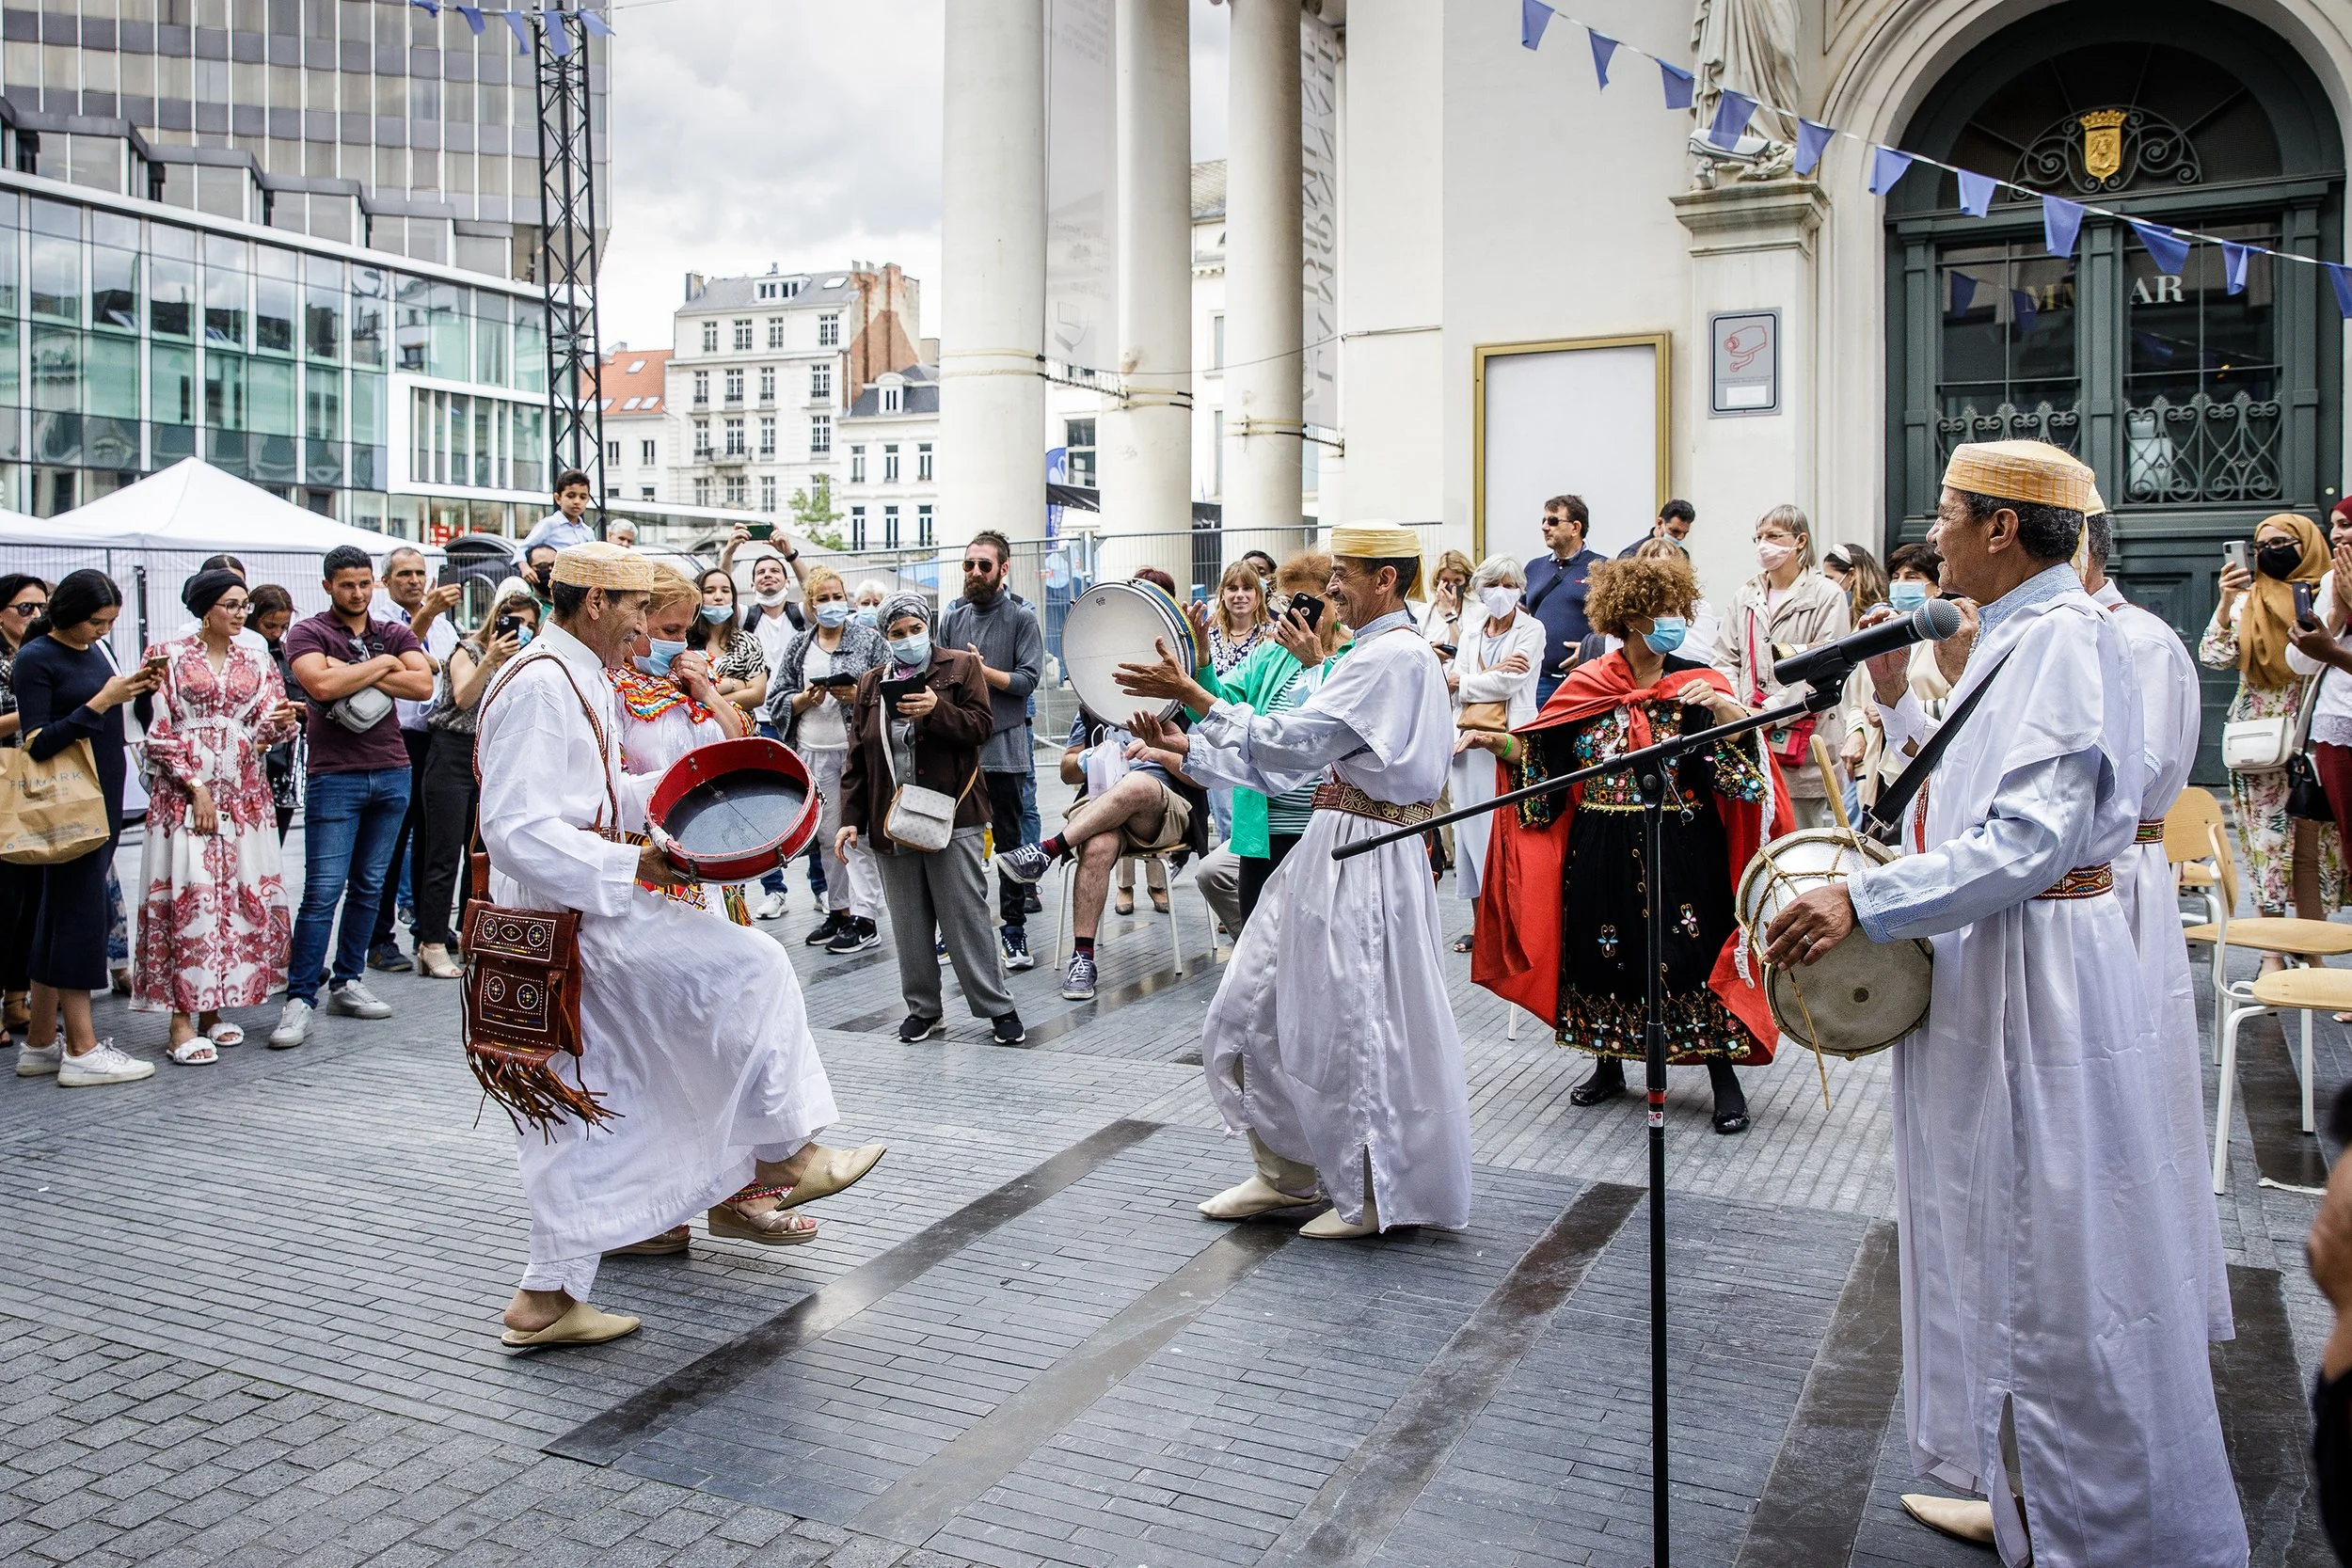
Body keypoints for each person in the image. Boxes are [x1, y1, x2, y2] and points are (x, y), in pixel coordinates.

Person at [1761, 440, 2246, 1567]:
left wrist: (1867, 900)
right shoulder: (2018, 635)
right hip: (1998, 961)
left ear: (1998, 528)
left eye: (1943, 515)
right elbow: (1992, 795)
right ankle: (2023, 1484)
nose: (1929, 537)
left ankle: (2099, 1517)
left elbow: (2029, 841)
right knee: (1998, 1234)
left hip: (2040, 975)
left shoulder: (2068, 639)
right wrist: (1901, 715)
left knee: (2052, 1248)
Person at [475, 542, 882, 1344]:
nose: (647, 629)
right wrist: (638, 858)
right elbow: (516, 829)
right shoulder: (540, 684)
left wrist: (678, 795)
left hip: (576, 914)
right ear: (596, 602)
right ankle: (780, 1157)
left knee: (583, 1105)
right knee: (752, 965)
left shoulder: (572, 676)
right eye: (638, 611)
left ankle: (546, 1298)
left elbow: (591, 792)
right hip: (571, 924)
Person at [1115, 525, 1469, 1241]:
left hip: (1367, 856)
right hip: (1333, 844)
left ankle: (1377, 1191)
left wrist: (1195, 695)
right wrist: (1188, 740)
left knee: (1362, 1021)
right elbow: (1292, 752)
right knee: (1255, 1003)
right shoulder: (1371, 653)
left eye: (1345, 573)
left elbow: (1297, 741)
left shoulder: (1394, 657)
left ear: (1387, 582)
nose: (1330, 587)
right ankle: (1286, 1173)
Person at [1474, 555, 1788, 1133]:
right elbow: (1548, 763)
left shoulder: (1698, 686)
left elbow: (1741, 778)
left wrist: (1730, 715)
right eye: (1660, 612)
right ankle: (1608, 1064)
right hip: (1600, 843)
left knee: (1693, 952)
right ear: (1630, 618)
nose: (1672, 620)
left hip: (1684, 844)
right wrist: (1500, 746)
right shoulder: (1585, 688)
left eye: (1676, 609)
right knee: (1602, 948)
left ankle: (1722, 1074)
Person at [2081, 507, 2232, 1342]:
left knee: (2129, 1086)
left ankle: (2144, 1294)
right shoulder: (2053, 635)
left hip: (2120, 885)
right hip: (2078, 887)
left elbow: (2126, 787)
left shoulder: (2136, 641)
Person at [131, 570, 304, 1063]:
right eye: (230, 604)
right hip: (185, 796)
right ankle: (180, 1022)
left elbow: (268, 728)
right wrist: (196, 787)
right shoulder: (165, 656)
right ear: (205, 608)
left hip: (246, 795)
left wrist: (279, 726)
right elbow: (156, 731)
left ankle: (212, 1010)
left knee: (235, 898)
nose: (240, 613)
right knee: (191, 898)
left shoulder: (258, 657)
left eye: (244, 604)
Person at [837, 594, 1025, 1047]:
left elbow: (982, 726)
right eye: (896, 633)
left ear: (928, 626)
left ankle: (998, 1007)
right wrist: (851, 818)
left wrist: (935, 712)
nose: (907, 639)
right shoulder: (869, 684)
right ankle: (923, 1009)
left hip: (953, 814)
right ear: (885, 637)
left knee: (966, 915)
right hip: (892, 817)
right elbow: (858, 755)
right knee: (908, 920)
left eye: (913, 629)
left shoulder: (960, 667)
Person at [270, 545, 435, 1049]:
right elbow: (318, 685)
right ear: (327, 586)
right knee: (322, 891)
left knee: (368, 885)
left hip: (391, 772)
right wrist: (386, 665)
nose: (358, 593)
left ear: (374, 584)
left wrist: (363, 669)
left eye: (365, 584)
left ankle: (348, 981)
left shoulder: (393, 630)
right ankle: (300, 998)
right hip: (334, 775)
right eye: (347, 584)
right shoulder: (309, 632)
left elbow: (424, 685)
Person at [10, 570, 163, 1085]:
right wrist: (101, 701)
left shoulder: (91, 650)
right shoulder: (36, 658)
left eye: (110, 623)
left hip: (101, 797)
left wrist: (133, 690)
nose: (101, 632)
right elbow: (35, 742)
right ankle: (82, 1047)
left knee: (58, 917)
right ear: (69, 614)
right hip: (69, 804)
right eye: (95, 622)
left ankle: (39, 1046)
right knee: (79, 919)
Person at [1171, 552, 1347, 929]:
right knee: (1256, 935)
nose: (1295, 616)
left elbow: (1340, 723)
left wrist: (1317, 661)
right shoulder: (1271, 654)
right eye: (1288, 604)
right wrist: (1201, 659)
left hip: (1323, 827)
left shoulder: (1353, 656)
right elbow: (1217, 706)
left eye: (1307, 604)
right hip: (1263, 827)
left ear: (1334, 600)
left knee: (1314, 940)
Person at [999, 706, 1209, 1001]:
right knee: (1097, 846)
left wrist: (1160, 752)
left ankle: (1048, 849)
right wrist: (1086, 760)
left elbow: (1205, 775)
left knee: (1136, 784)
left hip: (1162, 809)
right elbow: (1067, 770)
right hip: (1101, 805)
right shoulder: (1093, 707)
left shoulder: (1176, 706)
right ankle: (1082, 958)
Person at [2202, 511, 2343, 923]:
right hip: (2260, 736)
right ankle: (2271, 951)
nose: (2270, 553)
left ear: (2309, 545)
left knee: (2313, 846)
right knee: (2267, 842)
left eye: (2283, 544)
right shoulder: (2250, 599)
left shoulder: (2330, 595)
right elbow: (2213, 655)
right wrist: (2227, 603)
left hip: (2314, 734)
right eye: (2262, 547)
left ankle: (2311, 947)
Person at [613, 565, 756, 926]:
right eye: (668, 630)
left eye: (685, 632)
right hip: (652, 858)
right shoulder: (612, 687)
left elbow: (743, 746)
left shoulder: (697, 678)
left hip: (711, 842)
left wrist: (708, 692)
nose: (678, 643)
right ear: (635, 624)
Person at [411, 581, 539, 980]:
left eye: (529, 625)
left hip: (493, 757)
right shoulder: (469, 650)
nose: (519, 631)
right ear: (495, 618)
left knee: (482, 856)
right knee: (443, 854)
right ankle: (431, 942)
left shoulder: (528, 659)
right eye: (513, 622)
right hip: (451, 752)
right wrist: (490, 660)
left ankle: (473, 937)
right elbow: (464, 698)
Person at [940, 531, 1044, 972]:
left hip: (1004, 746)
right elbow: (940, 674)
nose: (975, 573)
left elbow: (1026, 681)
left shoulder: (1021, 617)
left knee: (1008, 842)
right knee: (953, 841)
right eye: (969, 565)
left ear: (1004, 569)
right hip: (959, 747)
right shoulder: (952, 617)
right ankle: (955, 929)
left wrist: (984, 672)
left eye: (984, 565)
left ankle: (1014, 932)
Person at [1712, 503, 1851, 829]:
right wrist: (1736, 708)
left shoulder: (1826, 596)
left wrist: (1767, 712)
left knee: (1804, 844)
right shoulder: (1745, 595)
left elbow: (1823, 667)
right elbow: (1725, 658)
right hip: (1750, 738)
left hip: (1805, 748)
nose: (1764, 544)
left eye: (1774, 536)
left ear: (1799, 541)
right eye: (1759, 536)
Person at [771, 566, 886, 953]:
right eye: (823, 598)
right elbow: (777, 697)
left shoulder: (869, 641)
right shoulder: (800, 646)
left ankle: (866, 918)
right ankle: (838, 911)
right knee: (826, 837)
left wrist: (857, 696)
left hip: (855, 753)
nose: (832, 604)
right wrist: (802, 700)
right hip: (811, 750)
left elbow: (888, 689)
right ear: (810, 604)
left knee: (857, 836)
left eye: (838, 596)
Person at [368, 546, 462, 974]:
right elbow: (398, 655)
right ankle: (377, 938)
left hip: (434, 738)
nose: (414, 580)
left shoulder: (442, 625)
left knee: (431, 838)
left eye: (420, 572)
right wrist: (425, 622)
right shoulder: (379, 621)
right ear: (385, 580)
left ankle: (431, 929)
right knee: (389, 841)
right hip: (391, 736)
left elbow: (448, 669)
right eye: (403, 573)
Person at [1445, 556, 1544, 955]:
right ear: (1480, 588)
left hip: (1506, 742)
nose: (1500, 592)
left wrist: (1467, 680)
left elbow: (1510, 681)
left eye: (1509, 584)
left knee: (1501, 833)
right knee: (1468, 834)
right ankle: (1480, 925)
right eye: (1493, 584)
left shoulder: (1531, 629)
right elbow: (1453, 684)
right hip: (1465, 741)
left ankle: (1510, 925)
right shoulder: (1470, 633)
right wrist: (1479, 678)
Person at [1846, 543, 1952, 812]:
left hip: (1924, 763)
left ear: (1937, 586)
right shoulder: (1882, 632)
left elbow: (1959, 701)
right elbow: (1856, 698)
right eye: (1896, 577)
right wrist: (1856, 732)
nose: (1901, 583)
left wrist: (1894, 709)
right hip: (1877, 764)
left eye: (1912, 577)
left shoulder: (1948, 636)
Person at [0, 573, 46, 1036]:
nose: (35, 616)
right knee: (5, 900)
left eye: (41, 607)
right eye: (25, 607)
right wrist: (36, 708)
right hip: (2, 787)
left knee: (30, 900)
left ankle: (16, 1000)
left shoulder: (39, 654)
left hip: (37, 787)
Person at [1522, 495, 1608, 705]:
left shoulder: (1602, 568)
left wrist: (1591, 648)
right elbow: (1520, 615)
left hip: (1583, 679)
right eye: (1543, 521)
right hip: (1537, 680)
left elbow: (1616, 623)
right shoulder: (1534, 568)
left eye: (1552, 521)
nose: (1544, 527)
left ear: (1575, 527)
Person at [246, 585, 304, 842]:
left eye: (283, 626)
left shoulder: (288, 653)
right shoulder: (245, 652)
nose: (276, 633)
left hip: (284, 762)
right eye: (270, 626)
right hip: (251, 756)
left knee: (274, 839)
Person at [688, 566, 771, 716]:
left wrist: (705, 701)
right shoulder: (683, 642)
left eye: (725, 590)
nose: (718, 597)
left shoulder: (748, 641)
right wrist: (732, 684)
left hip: (740, 731)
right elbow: (682, 694)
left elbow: (757, 696)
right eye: (709, 591)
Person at [1206, 559, 1274, 675]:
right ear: (1223, 594)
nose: (1240, 595)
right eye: (1232, 588)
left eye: (1247, 588)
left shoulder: (1273, 635)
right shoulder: (1209, 636)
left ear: (1257, 594)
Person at [517, 468, 596, 555]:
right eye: (570, 496)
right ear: (558, 498)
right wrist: (527, 568)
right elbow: (522, 550)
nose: (577, 501)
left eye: (583, 497)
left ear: (588, 500)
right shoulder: (549, 524)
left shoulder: (588, 532)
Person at [1420, 548, 1475, 650]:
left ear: (1467, 580)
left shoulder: (1480, 612)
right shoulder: (1421, 613)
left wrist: (1450, 614)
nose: (1451, 586)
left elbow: (1465, 652)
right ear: (1437, 581)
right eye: (1445, 580)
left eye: (1457, 580)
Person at [1613, 498, 1696, 559]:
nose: (1680, 538)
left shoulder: (1683, 555)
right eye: (1675, 531)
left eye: (1684, 533)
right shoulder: (1631, 554)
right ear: (1659, 523)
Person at [521, 543, 561, 611]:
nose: (551, 569)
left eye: (555, 565)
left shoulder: (570, 603)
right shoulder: (525, 607)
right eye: (543, 566)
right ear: (530, 570)